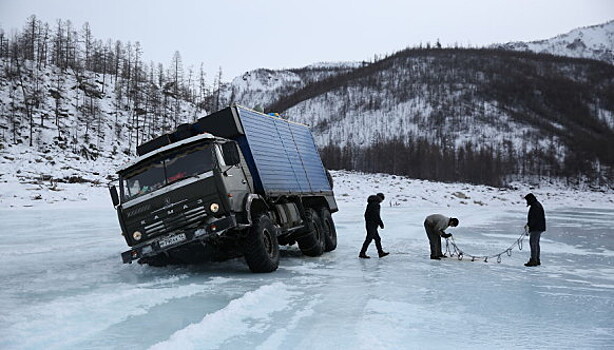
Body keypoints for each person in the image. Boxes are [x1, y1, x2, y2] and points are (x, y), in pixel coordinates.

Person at [359, 193, 389, 259]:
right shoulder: (376, 205)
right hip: (372, 225)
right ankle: (362, 253)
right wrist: (380, 223)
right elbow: (376, 215)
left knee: (377, 238)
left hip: (370, 224)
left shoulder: (370, 203)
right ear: (381, 198)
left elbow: (366, 214)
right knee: (369, 239)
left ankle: (380, 252)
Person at [524, 193, 546, 267]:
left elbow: (534, 219)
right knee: (536, 243)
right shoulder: (536, 205)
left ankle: (534, 260)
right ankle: (536, 259)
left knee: (533, 243)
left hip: (536, 228)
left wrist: (529, 225)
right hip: (539, 227)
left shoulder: (535, 206)